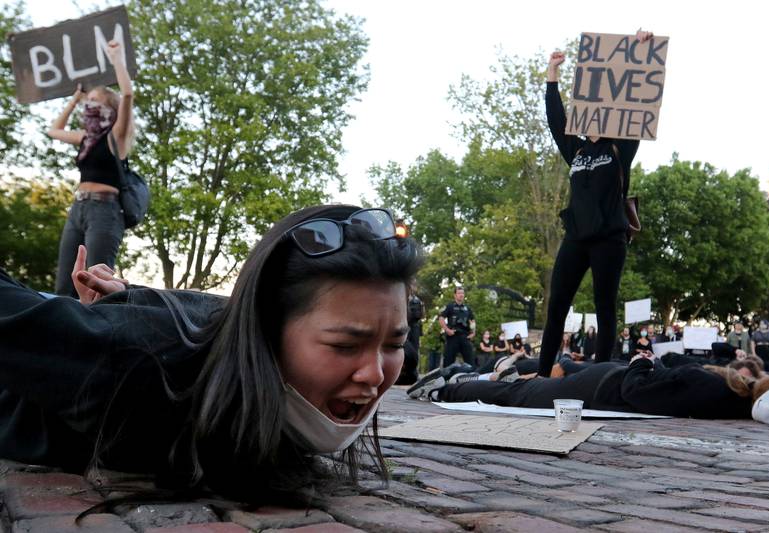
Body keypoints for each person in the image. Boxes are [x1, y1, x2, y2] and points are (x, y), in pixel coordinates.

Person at [0, 205, 422, 502]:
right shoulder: (137, 361)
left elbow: (216, 309)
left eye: (393, 344)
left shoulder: (249, 359)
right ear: (265, 331)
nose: (373, 374)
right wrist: (127, 317)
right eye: (345, 346)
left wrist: (137, 296)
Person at [537, 30, 654, 377]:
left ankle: (601, 375)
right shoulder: (576, 150)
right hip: (576, 237)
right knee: (557, 305)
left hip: (609, 237)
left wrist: (639, 51)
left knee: (605, 306)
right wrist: (552, 74)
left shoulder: (620, 147)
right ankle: (542, 374)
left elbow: (638, 102)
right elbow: (554, 118)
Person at [408, 352, 769, 422]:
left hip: (607, 386)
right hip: (602, 387)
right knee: (523, 394)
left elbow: (637, 388)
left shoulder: (715, 387)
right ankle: (451, 387)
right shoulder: (724, 400)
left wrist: (641, 362)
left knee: (523, 394)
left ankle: (449, 387)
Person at [47, 40, 135, 297]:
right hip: (78, 208)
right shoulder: (86, 139)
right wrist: (75, 98)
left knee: (96, 283)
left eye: (95, 101)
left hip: (104, 211)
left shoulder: (116, 136)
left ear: (110, 108)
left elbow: (127, 95)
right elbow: (54, 131)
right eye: (89, 101)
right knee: (64, 285)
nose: (90, 106)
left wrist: (116, 57)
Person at [439, 287, 477, 367]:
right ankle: (446, 378)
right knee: (448, 362)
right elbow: (441, 318)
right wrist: (447, 330)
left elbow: (472, 321)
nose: (461, 295)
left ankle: (472, 377)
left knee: (471, 361)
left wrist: (473, 332)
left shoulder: (467, 308)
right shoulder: (450, 306)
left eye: (462, 293)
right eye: (459, 293)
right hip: (453, 336)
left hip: (465, 336)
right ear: (455, 295)